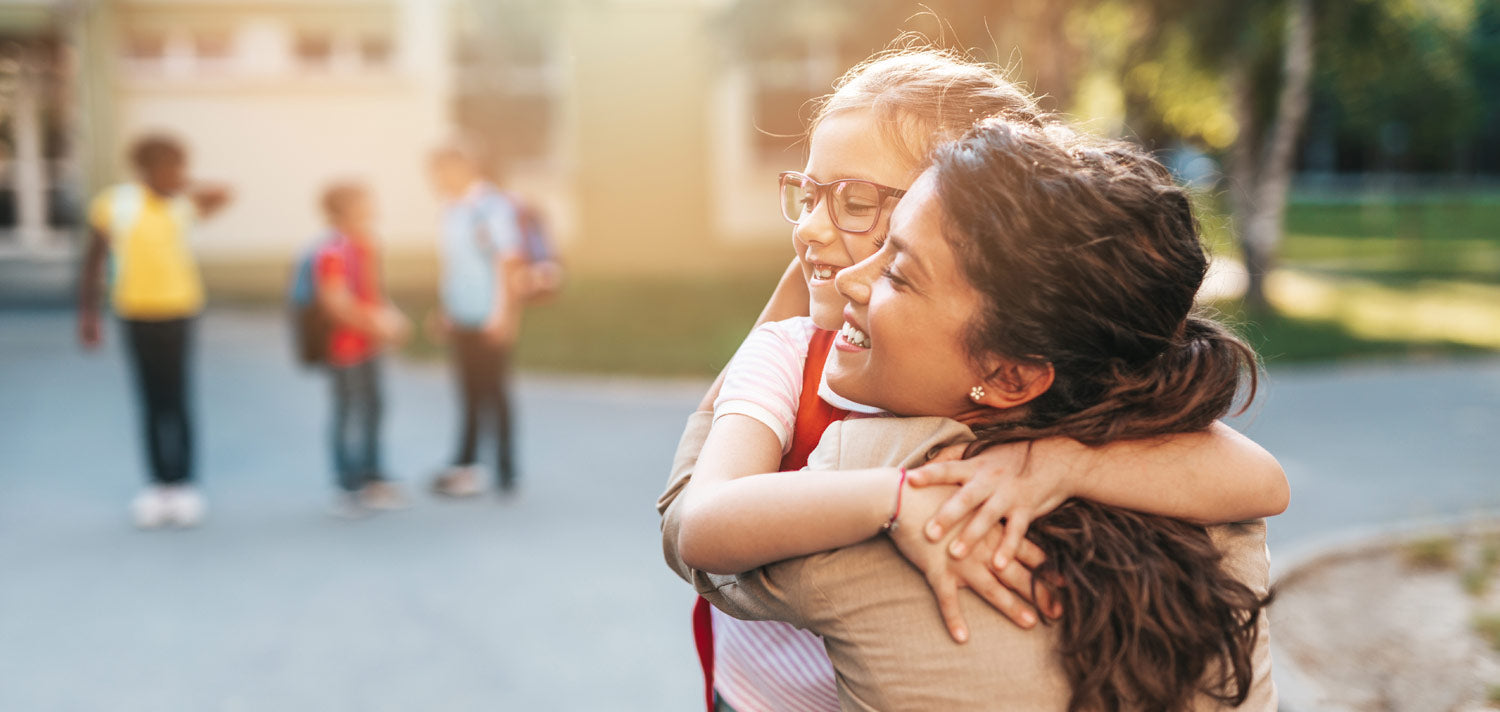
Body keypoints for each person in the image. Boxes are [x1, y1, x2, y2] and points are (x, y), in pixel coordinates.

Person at [657, 47, 1288, 712]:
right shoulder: (794, 354)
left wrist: (1057, 463)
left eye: (857, 200)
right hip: (767, 692)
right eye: (808, 194)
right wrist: (894, 499)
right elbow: (699, 520)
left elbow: (1258, 480)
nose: (812, 228)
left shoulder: (1036, 364)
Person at [76, 133, 230, 529]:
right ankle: (158, 487)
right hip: (135, 312)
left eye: (178, 167)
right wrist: (88, 315)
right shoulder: (116, 203)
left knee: (178, 398)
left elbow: (225, 193)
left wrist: (182, 185)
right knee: (150, 400)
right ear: (144, 168)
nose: (173, 174)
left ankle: (184, 485)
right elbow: (94, 260)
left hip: (179, 311)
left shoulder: (183, 204)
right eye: (165, 167)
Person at [426, 143, 528, 497]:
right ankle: (466, 465)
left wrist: (503, 315)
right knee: (467, 391)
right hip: (463, 315)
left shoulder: (490, 207)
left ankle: (506, 470)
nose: (435, 179)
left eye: (440, 170)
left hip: (489, 316)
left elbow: (508, 262)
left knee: (494, 392)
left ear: (463, 167)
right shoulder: (450, 209)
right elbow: (454, 265)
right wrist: (445, 309)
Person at [311, 181, 411, 517]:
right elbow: (336, 303)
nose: (372, 208)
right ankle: (346, 485)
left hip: (369, 347)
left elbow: (373, 293)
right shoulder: (331, 251)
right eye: (364, 203)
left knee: (374, 409)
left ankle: (372, 478)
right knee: (348, 413)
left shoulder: (366, 245)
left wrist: (391, 318)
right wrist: (378, 324)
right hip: (345, 349)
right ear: (344, 210)